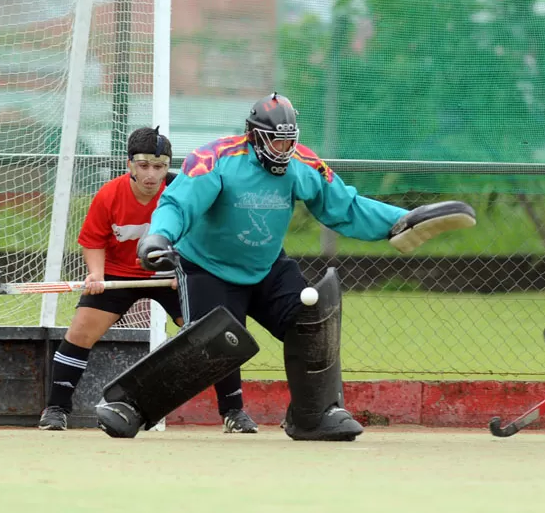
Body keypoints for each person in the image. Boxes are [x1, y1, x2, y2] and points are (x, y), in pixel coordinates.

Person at [103, 92, 474, 441]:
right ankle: (129, 405)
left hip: (266, 266)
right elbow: (178, 203)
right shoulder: (215, 158)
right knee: (211, 346)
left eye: (288, 141)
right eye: (274, 142)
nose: (282, 150)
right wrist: (158, 237)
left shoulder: (302, 164)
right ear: (253, 136)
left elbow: (345, 205)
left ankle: (314, 416)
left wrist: (399, 221)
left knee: (311, 321)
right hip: (207, 266)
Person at [36, 128, 202, 430]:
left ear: (167, 166)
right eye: (143, 166)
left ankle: (232, 410)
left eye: (159, 166)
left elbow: (198, 238)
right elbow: (92, 240)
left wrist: (185, 271)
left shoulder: (180, 194)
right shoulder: (109, 194)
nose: (152, 175)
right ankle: (56, 409)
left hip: (168, 274)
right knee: (81, 332)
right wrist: (96, 273)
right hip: (116, 273)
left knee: (204, 333)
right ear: (129, 165)